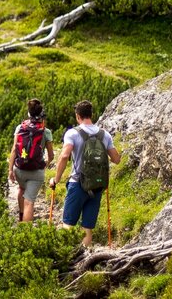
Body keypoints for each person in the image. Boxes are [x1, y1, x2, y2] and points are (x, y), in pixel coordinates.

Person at [49, 100, 121, 246]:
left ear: (78, 116)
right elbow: (116, 159)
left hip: (77, 184)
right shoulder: (105, 135)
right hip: (97, 185)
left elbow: (64, 156)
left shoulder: (72, 133)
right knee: (87, 227)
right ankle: (85, 255)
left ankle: (66, 254)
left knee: (68, 224)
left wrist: (56, 179)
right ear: (91, 114)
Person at [8, 98, 54, 222]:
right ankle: (26, 230)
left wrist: (10, 170)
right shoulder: (46, 131)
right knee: (29, 201)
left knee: (21, 189)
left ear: (29, 113)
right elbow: (51, 155)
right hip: (36, 171)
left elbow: (14, 150)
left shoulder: (20, 128)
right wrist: (45, 164)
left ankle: (21, 218)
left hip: (20, 168)